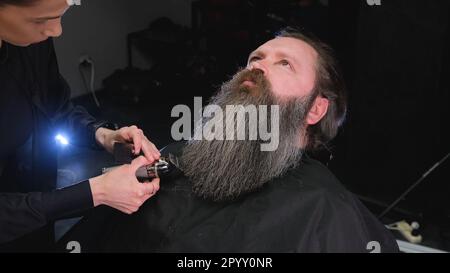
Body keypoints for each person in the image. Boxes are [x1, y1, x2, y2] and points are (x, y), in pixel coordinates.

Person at [58, 28, 399, 253]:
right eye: (255, 58)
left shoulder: (326, 210)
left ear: (315, 109)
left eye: (285, 64)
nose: (258, 67)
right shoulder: (173, 158)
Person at [0, 0, 161, 251]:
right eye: (40, 20)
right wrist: (96, 192)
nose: (56, 30)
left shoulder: (30, 42)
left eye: (60, 15)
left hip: (38, 212)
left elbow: (55, 109)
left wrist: (104, 136)